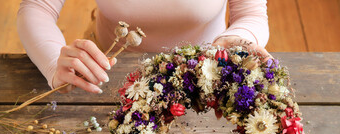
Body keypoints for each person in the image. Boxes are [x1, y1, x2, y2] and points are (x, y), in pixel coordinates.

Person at [17, 0, 270, 94]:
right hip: (105, 73)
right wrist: (52, 62)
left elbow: (251, 13)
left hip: (205, 76)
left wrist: (236, 37)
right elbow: (37, 7)